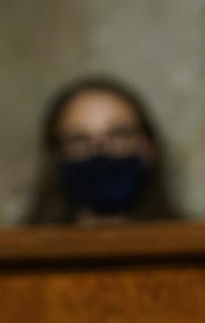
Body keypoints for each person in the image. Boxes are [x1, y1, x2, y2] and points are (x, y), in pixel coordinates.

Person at [25, 76, 179, 225]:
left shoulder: (193, 243)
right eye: (79, 139)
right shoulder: (19, 248)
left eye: (118, 134)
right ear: (57, 154)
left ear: (148, 147)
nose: (100, 150)